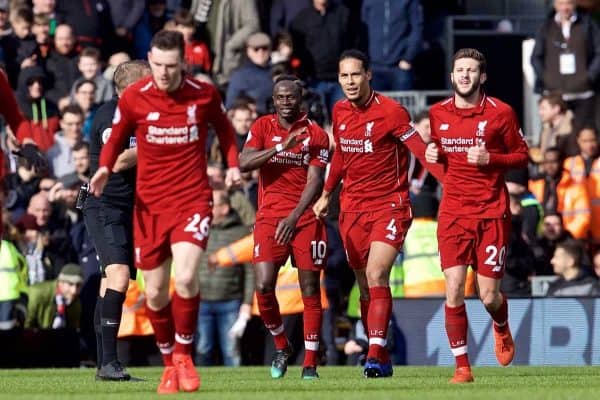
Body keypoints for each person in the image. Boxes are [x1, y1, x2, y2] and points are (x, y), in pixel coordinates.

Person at [89, 30, 241, 394]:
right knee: (154, 291)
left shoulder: (203, 94)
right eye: (156, 65)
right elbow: (114, 142)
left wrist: (233, 164)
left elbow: (225, 130)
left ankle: (183, 358)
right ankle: (167, 358)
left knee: (186, 276)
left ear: (183, 64)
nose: (162, 73)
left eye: (170, 66)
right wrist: (104, 167)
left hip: (190, 198)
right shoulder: (134, 101)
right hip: (146, 205)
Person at [312, 49, 443, 378]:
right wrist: (328, 193)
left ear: (369, 75)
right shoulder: (340, 110)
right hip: (352, 208)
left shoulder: (392, 112)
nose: (350, 81)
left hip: (390, 205)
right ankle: (381, 353)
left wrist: (452, 182)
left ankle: (372, 354)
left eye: (356, 74)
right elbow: (341, 154)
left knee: (375, 275)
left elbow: (419, 152)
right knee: (365, 287)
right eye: (344, 76)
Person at [424, 48, 529, 383]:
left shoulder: (502, 113)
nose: (465, 75)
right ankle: (462, 367)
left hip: (491, 212)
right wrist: (432, 154)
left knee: (488, 296)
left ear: (482, 77)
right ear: (452, 76)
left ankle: (501, 325)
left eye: (471, 70)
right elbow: (442, 159)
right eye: (459, 70)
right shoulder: (437, 113)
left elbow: (523, 156)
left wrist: (492, 159)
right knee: (454, 288)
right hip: (453, 212)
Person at [240, 75, 330, 379]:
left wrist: (294, 217)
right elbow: (244, 162)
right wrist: (280, 146)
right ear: (274, 100)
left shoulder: (317, 134)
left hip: (304, 218)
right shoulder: (262, 127)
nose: (286, 103)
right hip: (268, 217)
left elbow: (315, 180)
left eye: (291, 97)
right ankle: (282, 345)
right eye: (280, 97)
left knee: (309, 289)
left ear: (300, 98)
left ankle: (310, 364)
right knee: (263, 285)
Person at [84, 60, 151, 381]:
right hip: (104, 205)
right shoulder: (112, 115)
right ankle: (109, 363)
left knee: (109, 283)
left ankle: (104, 364)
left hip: (129, 207)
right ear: (128, 89)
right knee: (119, 277)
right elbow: (121, 158)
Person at [25, 263, 83, 329]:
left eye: (78, 285)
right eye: (70, 284)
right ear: (60, 282)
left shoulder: (76, 303)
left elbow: (73, 330)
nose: (74, 291)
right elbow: (27, 324)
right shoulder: (38, 293)